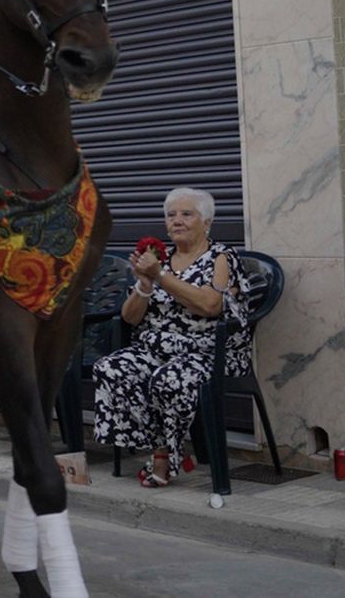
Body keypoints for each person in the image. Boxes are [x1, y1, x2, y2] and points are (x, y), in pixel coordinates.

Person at [93, 188, 249, 487]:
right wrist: (145, 285)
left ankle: (166, 459)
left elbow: (209, 305)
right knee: (110, 368)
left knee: (169, 378)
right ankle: (163, 448)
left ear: (207, 222)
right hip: (156, 349)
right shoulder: (159, 259)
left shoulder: (221, 257)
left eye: (186, 214)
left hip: (208, 354)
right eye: (171, 215)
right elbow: (130, 317)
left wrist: (161, 277)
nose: (176, 221)